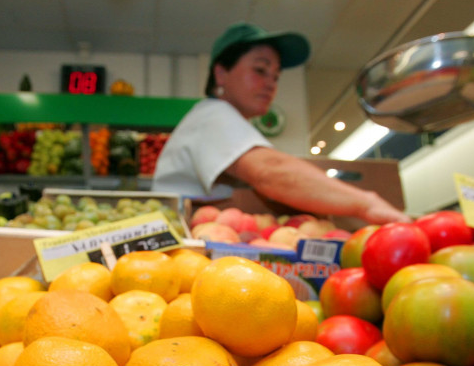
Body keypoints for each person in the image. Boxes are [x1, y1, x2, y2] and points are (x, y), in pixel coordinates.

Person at [152, 22, 411, 225]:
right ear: (221, 73)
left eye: (276, 76)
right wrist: (367, 203)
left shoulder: (222, 120)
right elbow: (269, 171)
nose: (271, 83)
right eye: (260, 70)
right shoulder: (213, 116)